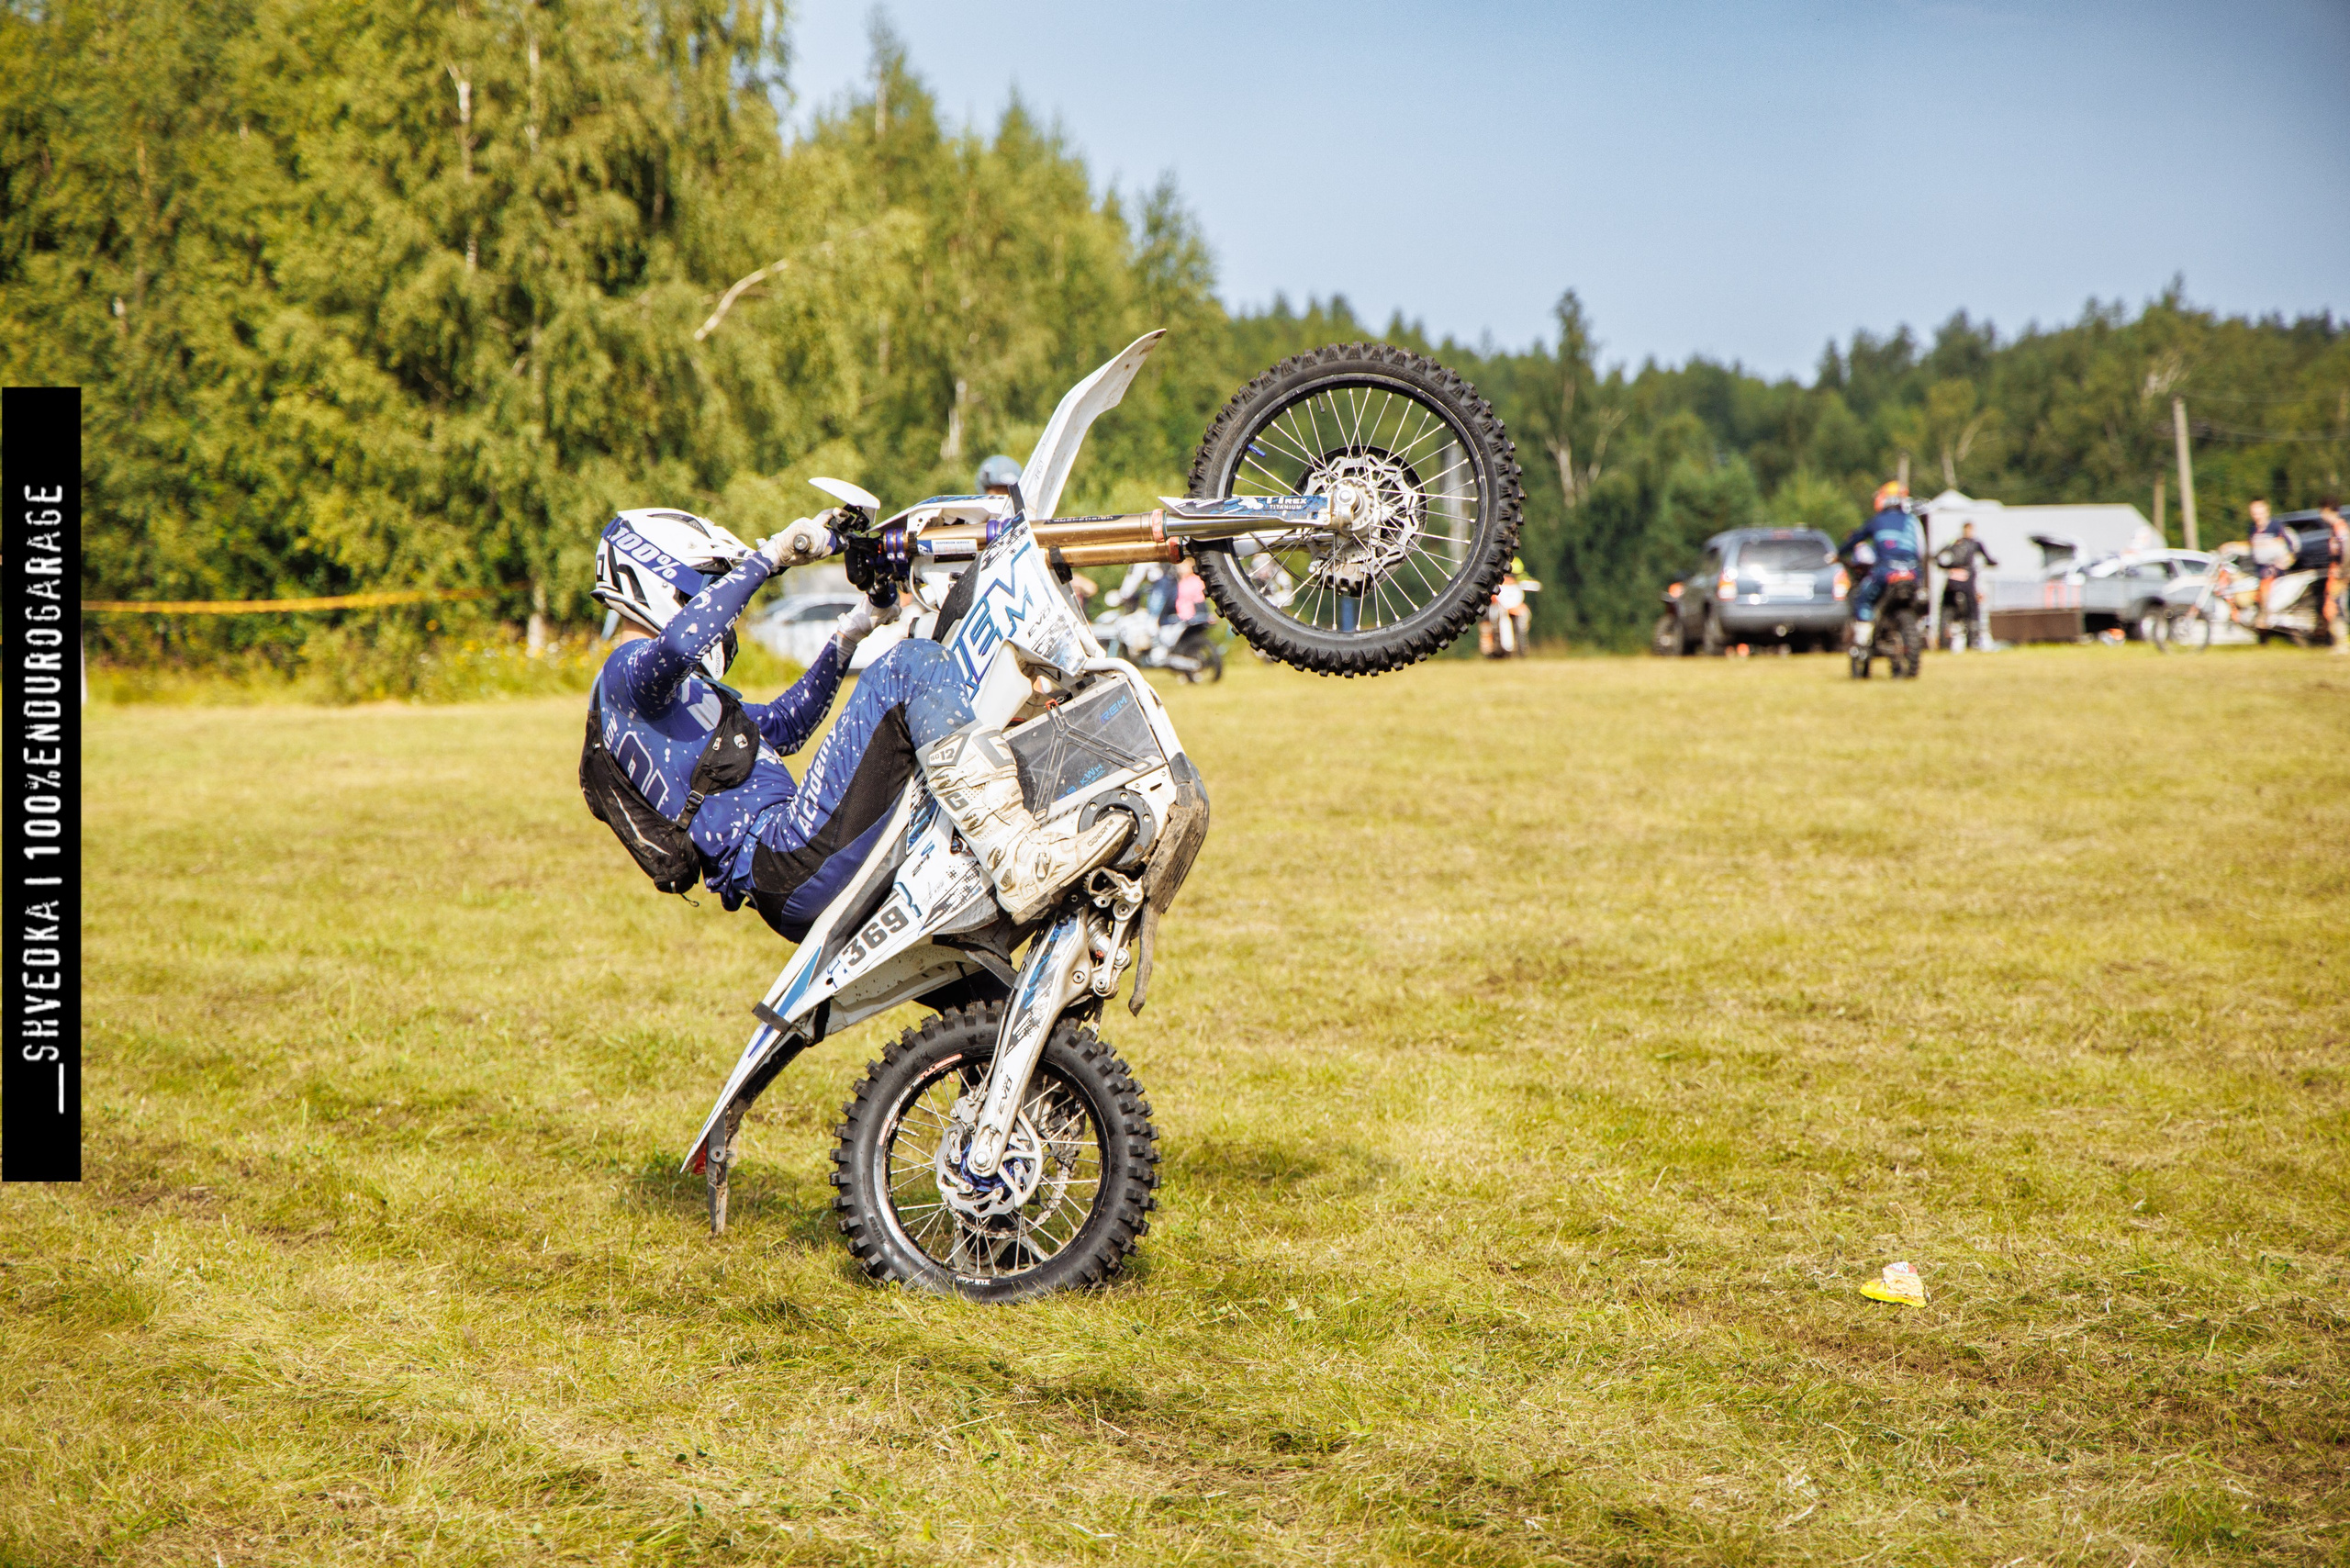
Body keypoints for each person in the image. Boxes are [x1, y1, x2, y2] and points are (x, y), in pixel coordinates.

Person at [584, 509, 1125, 938]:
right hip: (782, 858)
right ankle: (1020, 861)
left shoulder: (672, 700)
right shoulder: (624, 672)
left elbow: (787, 726)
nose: (714, 602)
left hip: (790, 859)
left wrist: (851, 632)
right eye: (704, 584)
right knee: (906, 668)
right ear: (658, 581)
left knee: (918, 674)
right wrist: (769, 557)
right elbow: (681, 641)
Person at [1840, 480, 1923, 654]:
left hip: (1885, 572)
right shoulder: (1912, 521)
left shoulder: (1877, 521)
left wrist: (1838, 553)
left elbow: (1856, 540)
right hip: (1913, 573)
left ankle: (1862, 643)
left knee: (1863, 599)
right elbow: (1922, 550)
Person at [1934, 521, 1998, 651]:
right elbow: (1989, 559)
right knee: (1972, 609)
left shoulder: (1954, 541)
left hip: (1953, 577)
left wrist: (1945, 567)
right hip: (1967, 578)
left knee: (1947, 606)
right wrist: (1993, 563)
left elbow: (1937, 556)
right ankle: (1972, 640)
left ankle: (1946, 641)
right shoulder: (1974, 543)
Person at [2246, 498, 2296, 630]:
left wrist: (2286, 561)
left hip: (2274, 568)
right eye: (2254, 512)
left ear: (2266, 511)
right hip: (2259, 568)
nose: (2257, 515)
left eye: (2259, 512)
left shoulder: (2276, 526)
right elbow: (2251, 548)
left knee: (2265, 582)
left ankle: (2264, 617)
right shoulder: (2253, 529)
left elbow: (2293, 545)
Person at [2319, 498, 2349, 655]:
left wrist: (2343, 571)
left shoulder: (2340, 528)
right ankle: (2340, 642)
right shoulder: (2335, 529)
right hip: (2335, 572)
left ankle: (2343, 643)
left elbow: (2347, 550)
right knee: (2333, 606)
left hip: (2339, 573)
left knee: (2337, 606)